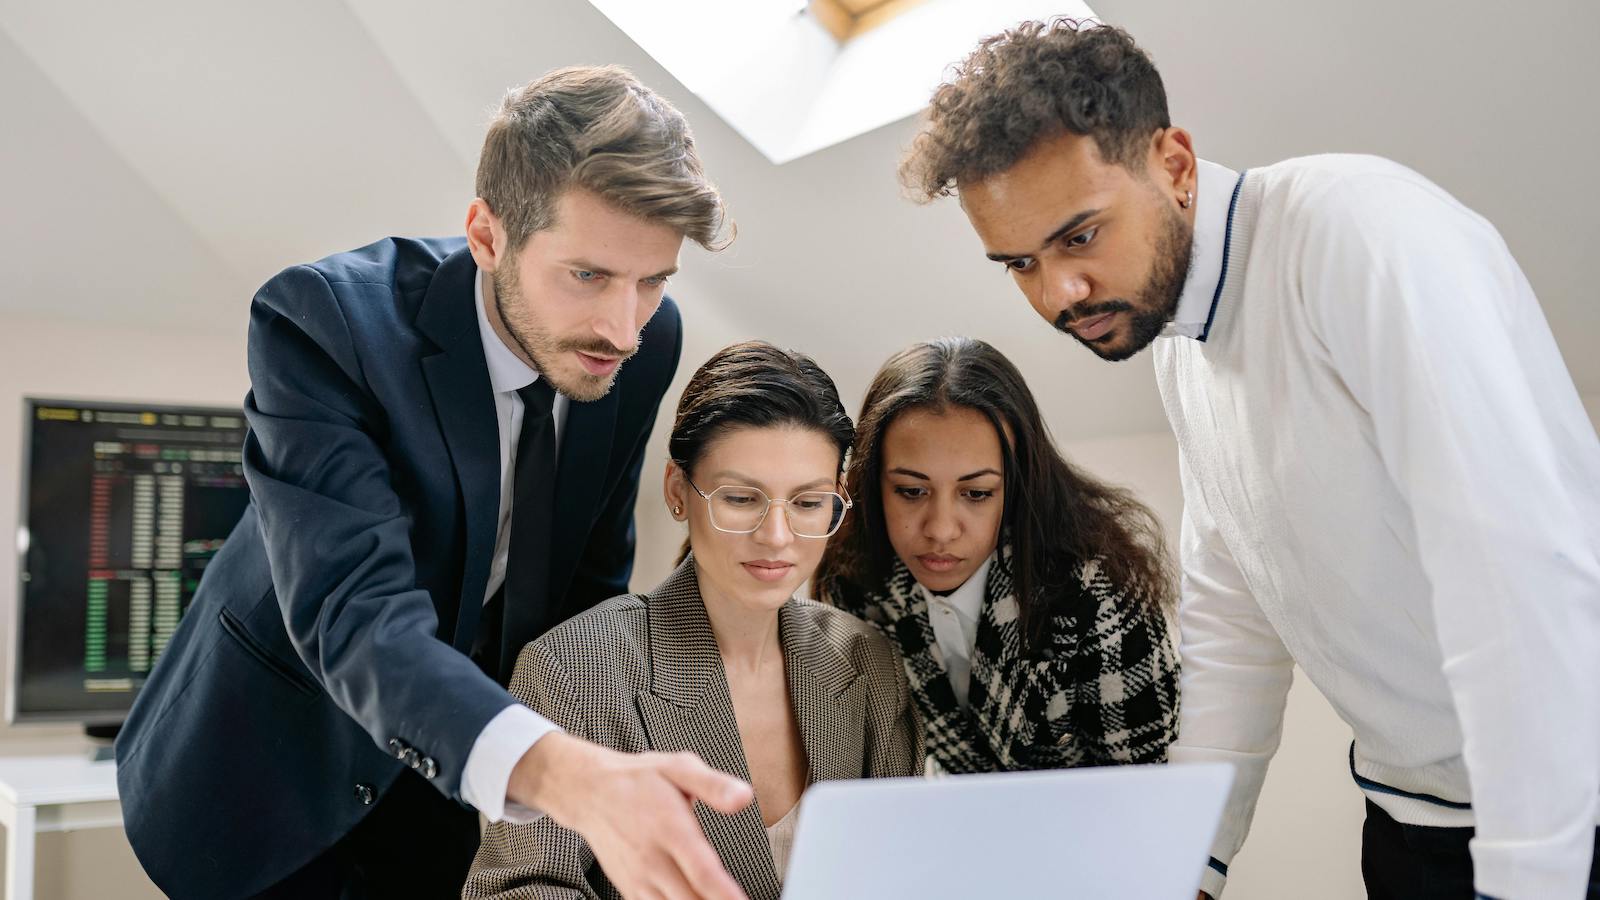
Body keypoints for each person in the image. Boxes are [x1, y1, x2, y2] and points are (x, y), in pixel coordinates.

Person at [900, 18, 1600, 900]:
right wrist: (1189, 864)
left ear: (1176, 165)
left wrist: (1528, 876)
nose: (1057, 294)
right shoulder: (1178, 344)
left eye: (1079, 237)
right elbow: (1235, 616)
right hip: (1414, 820)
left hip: (1568, 804)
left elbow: (1518, 574)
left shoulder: (1359, 236)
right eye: (1019, 264)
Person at [115, 65, 759, 900]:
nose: (623, 328)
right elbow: (358, 615)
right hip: (263, 773)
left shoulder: (644, 343)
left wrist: (616, 779)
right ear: (487, 236)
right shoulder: (323, 323)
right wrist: (571, 778)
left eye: (655, 281)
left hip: (454, 786)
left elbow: (586, 583)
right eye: (588, 275)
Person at [464, 340, 923, 899]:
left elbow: (903, 873)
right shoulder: (576, 669)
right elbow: (516, 889)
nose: (776, 537)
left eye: (807, 503)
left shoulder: (870, 662)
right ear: (679, 492)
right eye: (740, 498)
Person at [815, 336, 1178, 775]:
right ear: (873, 484)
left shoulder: (1099, 591)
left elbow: (1143, 796)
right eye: (911, 491)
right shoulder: (854, 580)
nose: (941, 529)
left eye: (977, 493)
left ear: (1019, 485)